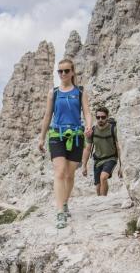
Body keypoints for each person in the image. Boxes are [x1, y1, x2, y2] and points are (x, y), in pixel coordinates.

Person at [38, 58, 92, 229]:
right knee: (60, 172)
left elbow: (87, 112)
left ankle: (65, 202)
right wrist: (41, 137)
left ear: (72, 72)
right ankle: (60, 212)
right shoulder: (53, 93)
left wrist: (89, 126)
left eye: (66, 71)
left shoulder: (80, 92)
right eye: (59, 71)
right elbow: (47, 116)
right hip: (56, 135)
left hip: (76, 135)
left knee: (70, 175)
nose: (63, 74)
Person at [82, 106, 122, 196]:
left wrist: (121, 166)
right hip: (97, 161)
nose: (100, 119)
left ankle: (103, 200)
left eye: (103, 117)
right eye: (98, 117)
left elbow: (119, 148)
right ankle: (101, 199)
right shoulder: (92, 131)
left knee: (103, 177)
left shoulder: (113, 129)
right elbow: (87, 149)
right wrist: (84, 165)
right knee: (98, 187)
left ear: (107, 117)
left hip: (111, 158)